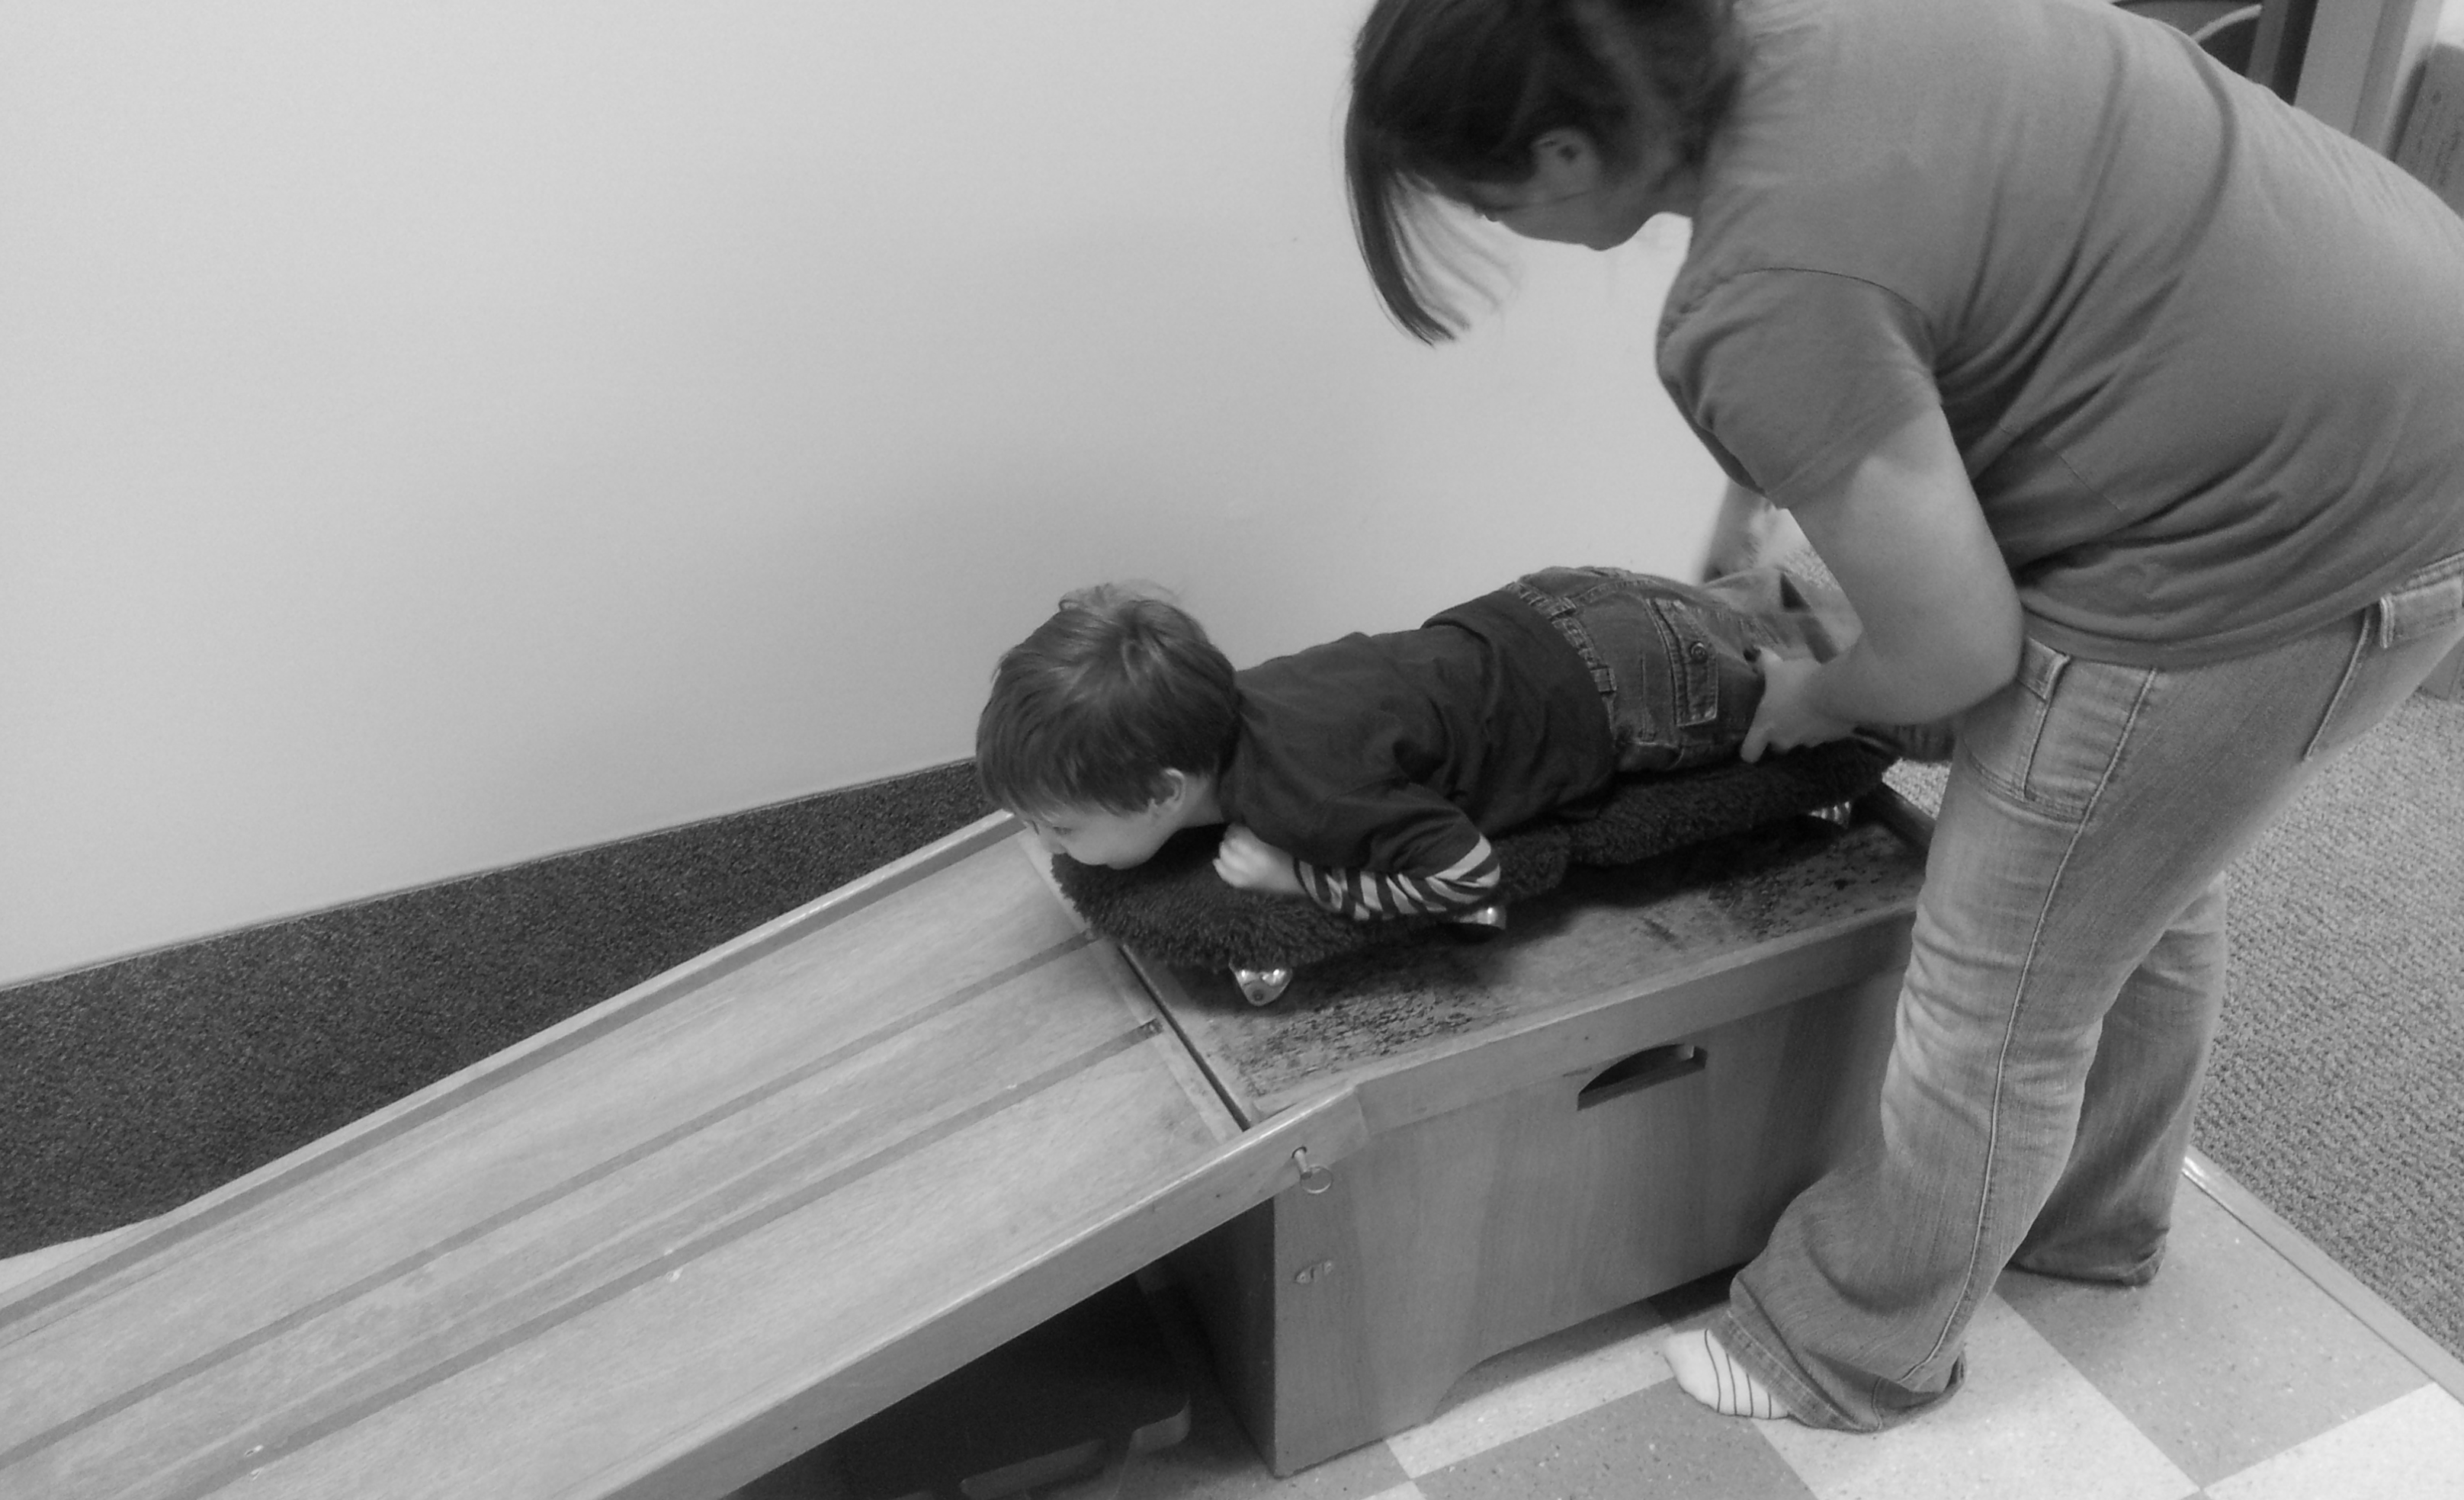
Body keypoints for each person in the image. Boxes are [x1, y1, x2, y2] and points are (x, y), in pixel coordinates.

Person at [1342, 0, 2464, 1431]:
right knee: (2132, 867)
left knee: (1991, 991)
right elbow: (1899, 319)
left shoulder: (1759, 297)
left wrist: (1820, 691)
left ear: (1563, 153)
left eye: (1490, 202)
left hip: (2281, 530)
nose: (1506, 228)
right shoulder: (1814, 27)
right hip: (2414, 385)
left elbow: (1954, 648)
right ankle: (2086, 1220)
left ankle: (1843, 1344)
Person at [974, 564, 1895, 916]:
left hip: (1633, 694)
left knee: (1827, 695)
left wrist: (1299, 880)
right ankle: (1768, 617)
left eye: (1062, 827)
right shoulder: (1236, 693)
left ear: (1161, 792)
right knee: (1744, 609)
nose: (1049, 844)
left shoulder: (1308, 801)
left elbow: (1470, 875)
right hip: (1556, 601)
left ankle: (1857, 675)